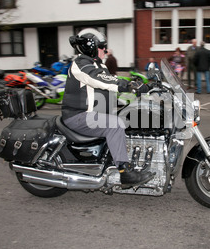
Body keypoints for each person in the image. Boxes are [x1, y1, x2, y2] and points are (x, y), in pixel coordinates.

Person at [62, 28, 152, 186]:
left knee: (130, 116)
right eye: (102, 46)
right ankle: (125, 172)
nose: (105, 49)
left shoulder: (98, 65)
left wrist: (138, 93)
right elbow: (102, 80)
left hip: (92, 115)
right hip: (79, 116)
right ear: (91, 48)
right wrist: (130, 86)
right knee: (115, 125)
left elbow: (109, 83)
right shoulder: (81, 65)